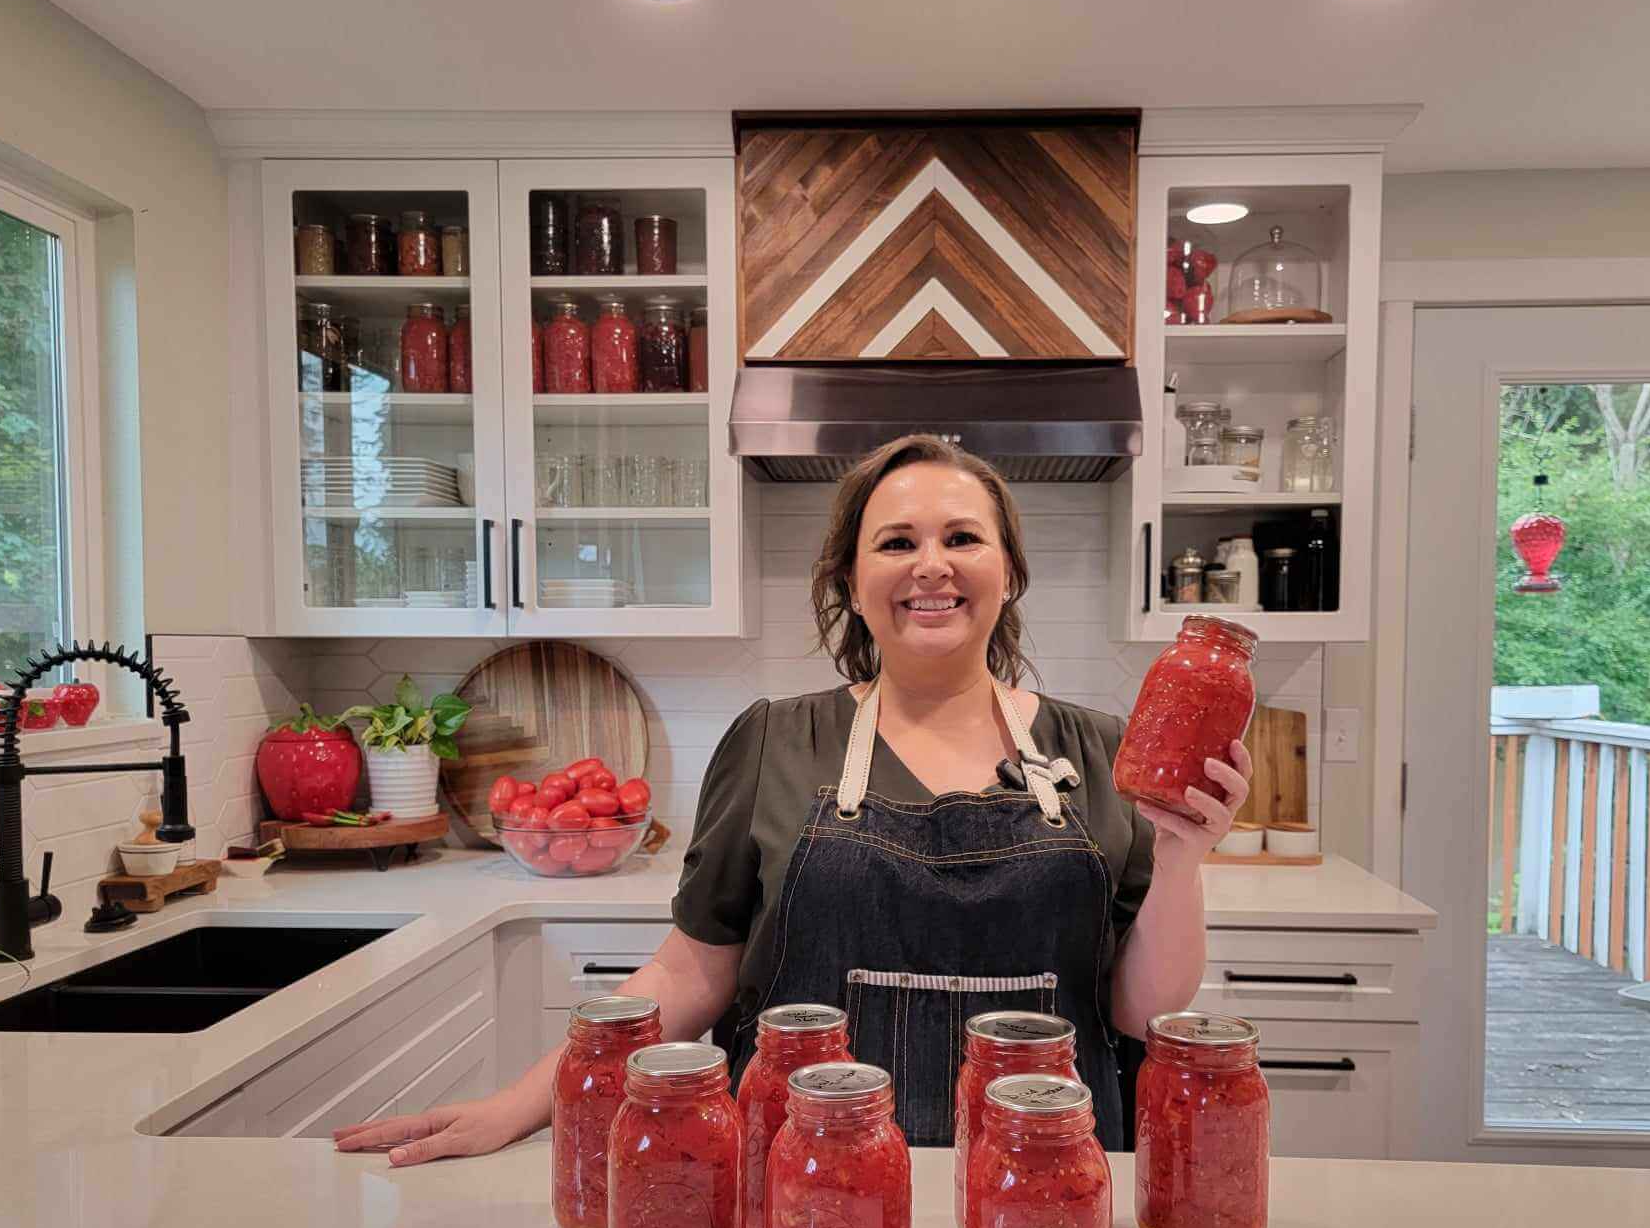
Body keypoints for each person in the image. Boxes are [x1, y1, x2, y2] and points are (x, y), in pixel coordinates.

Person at [335, 433, 1250, 1161]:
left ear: (1007, 572)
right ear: (853, 582)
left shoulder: (1100, 751)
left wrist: (1182, 856)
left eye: (962, 538)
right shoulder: (776, 740)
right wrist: (516, 1105)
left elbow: (1140, 1012)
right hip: (800, 1179)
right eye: (897, 543)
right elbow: (691, 973)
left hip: (1040, 1175)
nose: (931, 565)